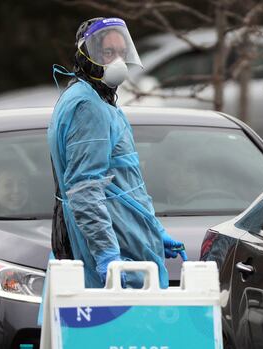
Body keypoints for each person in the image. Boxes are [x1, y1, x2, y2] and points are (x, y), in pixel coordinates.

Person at [48, 17, 186, 289]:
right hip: (120, 254)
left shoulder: (94, 100)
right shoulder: (88, 107)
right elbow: (85, 189)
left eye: (122, 53)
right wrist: (108, 256)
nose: (117, 62)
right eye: (108, 52)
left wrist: (154, 231)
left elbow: (123, 182)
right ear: (87, 56)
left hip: (128, 243)